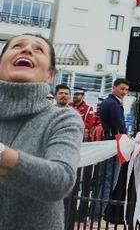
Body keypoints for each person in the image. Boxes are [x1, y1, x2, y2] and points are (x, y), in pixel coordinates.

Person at [0, 33, 83, 230]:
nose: (27, 50)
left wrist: (3, 155)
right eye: (17, 46)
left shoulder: (63, 119)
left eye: (38, 49)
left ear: (50, 74)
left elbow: (61, 181)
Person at [91, 77, 130, 220]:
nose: (124, 92)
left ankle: (94, 213)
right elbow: (120, 128)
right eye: (121, 88)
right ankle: (97, 215)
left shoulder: (108, 102)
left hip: (108, 143)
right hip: (114, 145)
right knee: (109, 181)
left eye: (126, 89)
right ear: (113, 88)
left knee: (103, 180)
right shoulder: (113, 104)